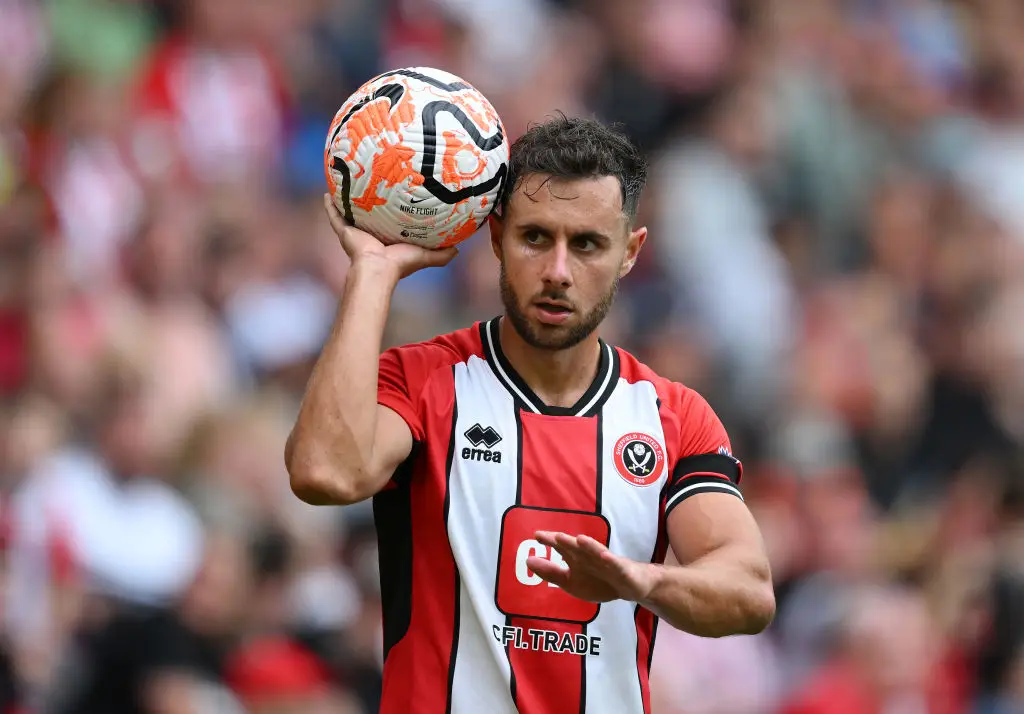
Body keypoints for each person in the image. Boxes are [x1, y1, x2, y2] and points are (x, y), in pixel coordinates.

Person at [285, 115, 775, 714]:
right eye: (535, 237)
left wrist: (640, 583)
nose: (557, 272)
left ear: (630, 252)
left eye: (588, 244)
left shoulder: (673, 416)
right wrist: (373, 271)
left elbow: (749, 589)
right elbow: (323, 473)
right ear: (496, 236)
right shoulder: (423, 381)